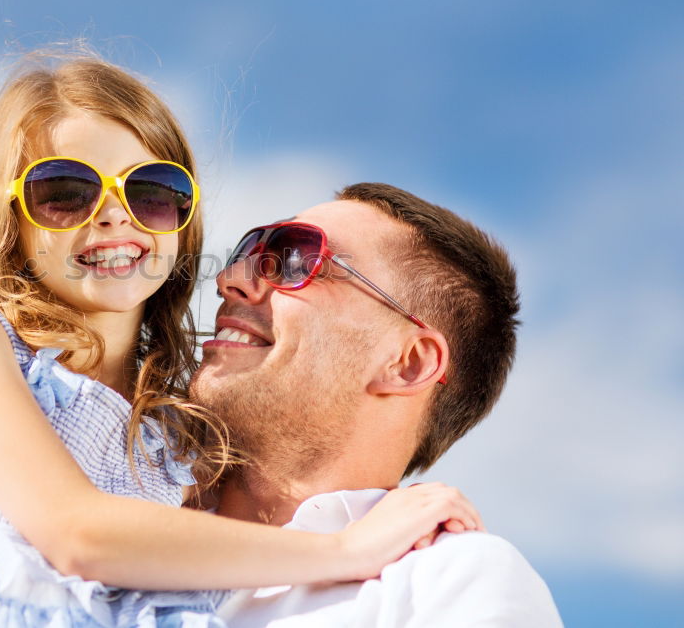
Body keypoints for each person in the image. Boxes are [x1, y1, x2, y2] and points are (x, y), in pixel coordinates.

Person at [0, 57, 484, 628]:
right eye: (66, 192)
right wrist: (341, 553)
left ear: (181, 220)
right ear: (9, 218)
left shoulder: (175, 446)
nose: (113, 218)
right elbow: (78, 534)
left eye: (150, 191)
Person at [190, 183, 563, 626]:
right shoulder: (111, 499)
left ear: (407, 363)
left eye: (297, 259)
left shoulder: (450, 580)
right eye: (248, 250)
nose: (229, 280)